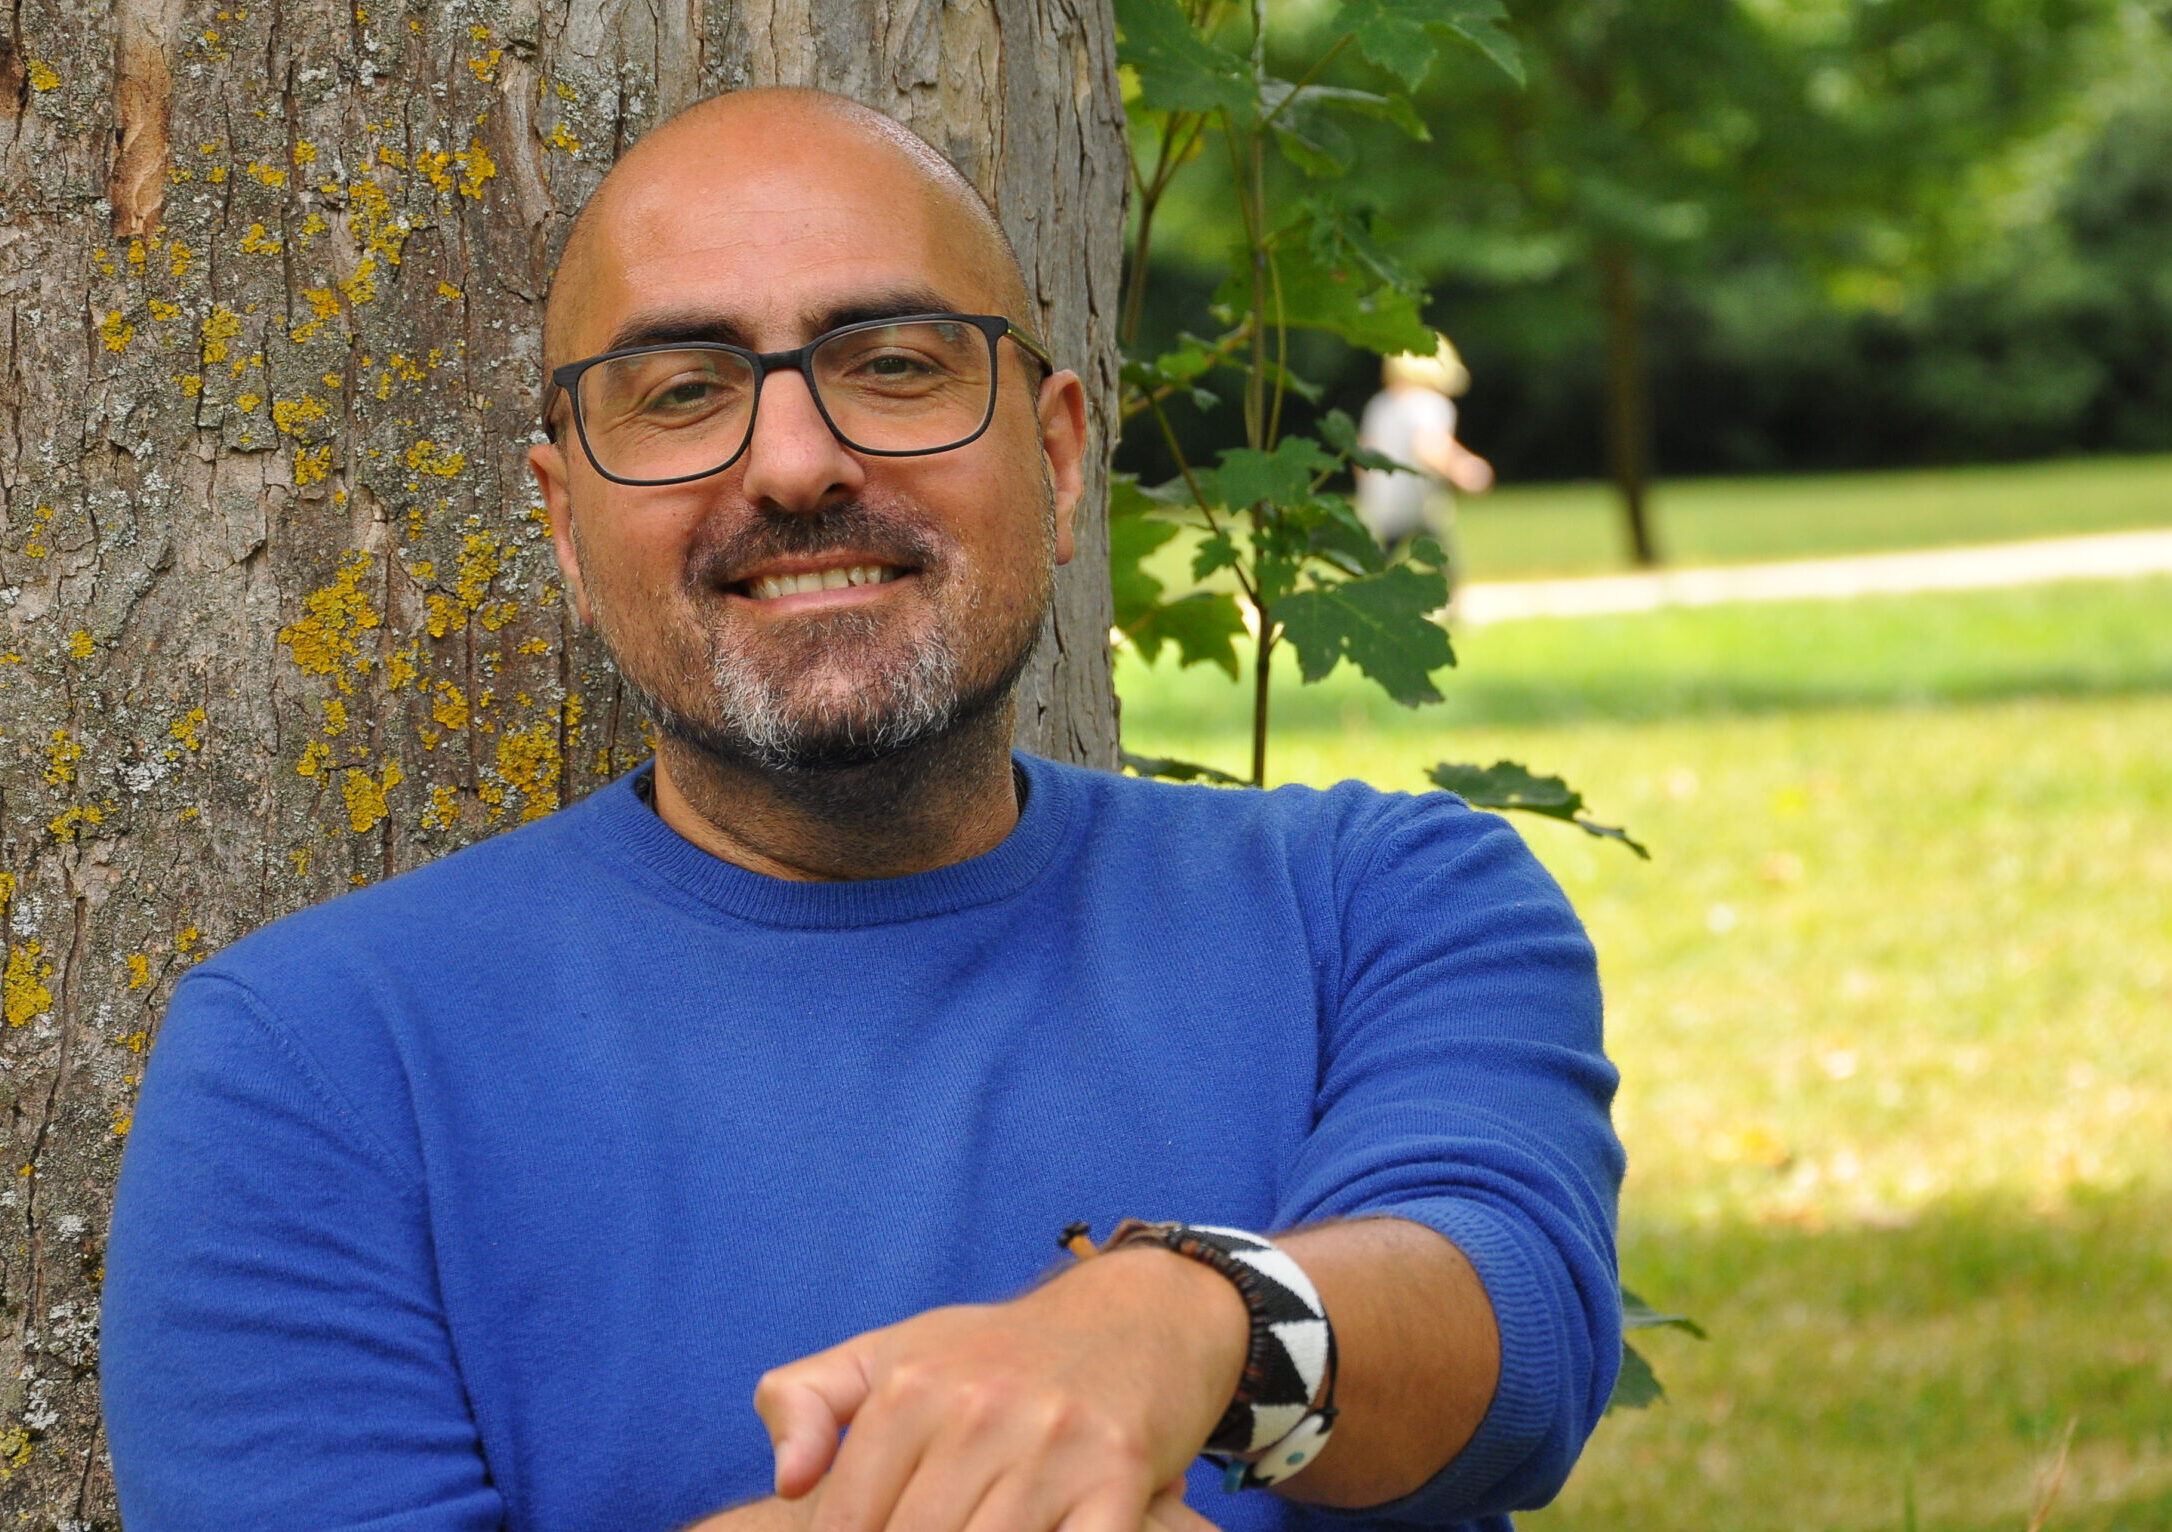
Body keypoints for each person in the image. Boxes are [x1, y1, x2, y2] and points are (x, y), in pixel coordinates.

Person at [100, 90, 1622, 1532]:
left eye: (892, 364)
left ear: (1057, 456)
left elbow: (1516, 1336)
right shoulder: (314, 1058)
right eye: (682, 391)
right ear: (566, 524)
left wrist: (1175, 1320)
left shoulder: (1375, 905)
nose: (796, 463)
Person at [1353, 340, 1494, 583]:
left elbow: (1362, 453)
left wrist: (1368, 492)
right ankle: (1450, 597)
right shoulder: (1430, 404)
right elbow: (1430, 447)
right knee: (1440, 558)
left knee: (1382, 559)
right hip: (1418, 500)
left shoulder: (1379, 405)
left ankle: (1368, 593)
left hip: (1383, 502)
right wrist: (1463, 469)